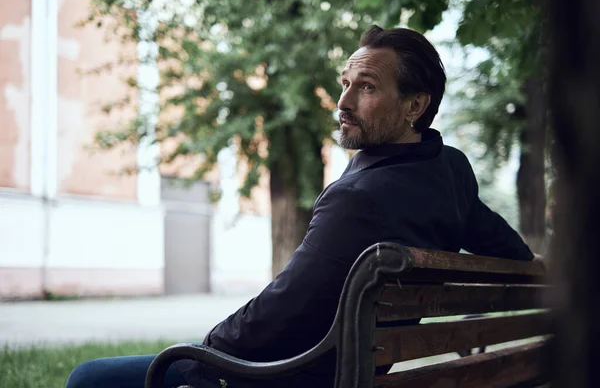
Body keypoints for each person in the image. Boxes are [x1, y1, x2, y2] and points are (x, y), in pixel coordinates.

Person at [65, 25, 535, 388]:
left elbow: (281, 309)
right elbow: (508, 250)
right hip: (363, 366)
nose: (343, 101)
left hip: (297, 373)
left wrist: (205, 354)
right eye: (345, 83)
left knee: (89, 378)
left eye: (366, 88)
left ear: (415, 105)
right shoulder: (449, 169)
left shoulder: (359, 198)